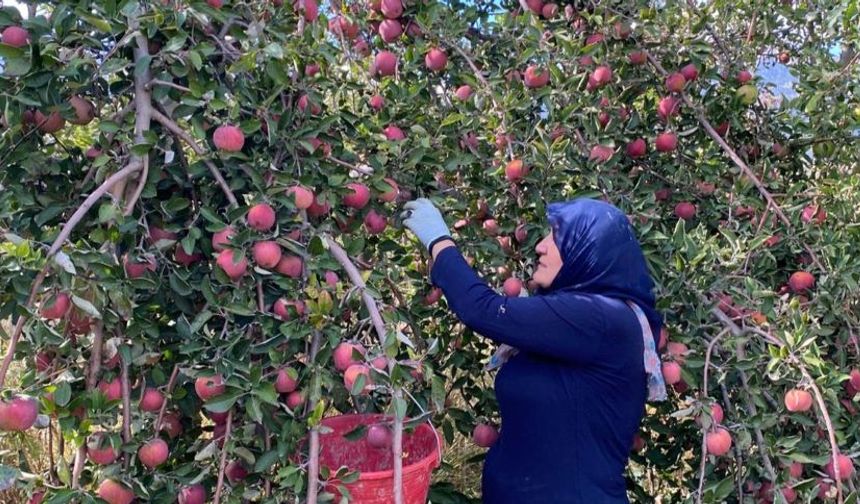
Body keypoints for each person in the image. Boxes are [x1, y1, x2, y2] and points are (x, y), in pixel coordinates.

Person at [401, 197, 666, 503]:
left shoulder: (603, 318)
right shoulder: (576, 325)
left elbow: (483, 310)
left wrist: (439, 242)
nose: (540, 245)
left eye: (557, 237)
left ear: (588, 251)